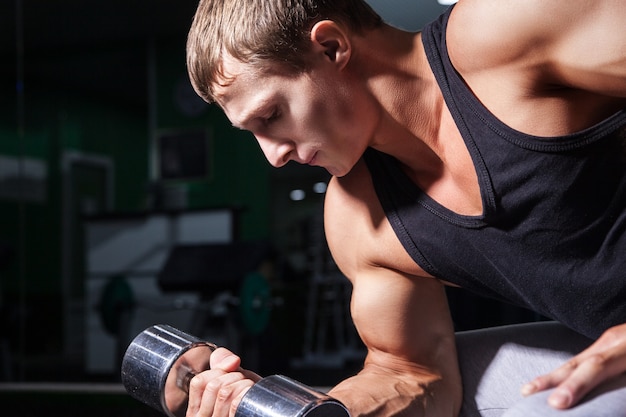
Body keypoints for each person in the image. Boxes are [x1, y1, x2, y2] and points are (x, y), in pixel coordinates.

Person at [183, 0, 626, 416]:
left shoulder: (501, 35)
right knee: (470, 369)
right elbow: (411, 373)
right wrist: (304, 410)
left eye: (271, 115)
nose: (272, 156)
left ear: (331, 47)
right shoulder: (360, 215)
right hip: (605, 339)